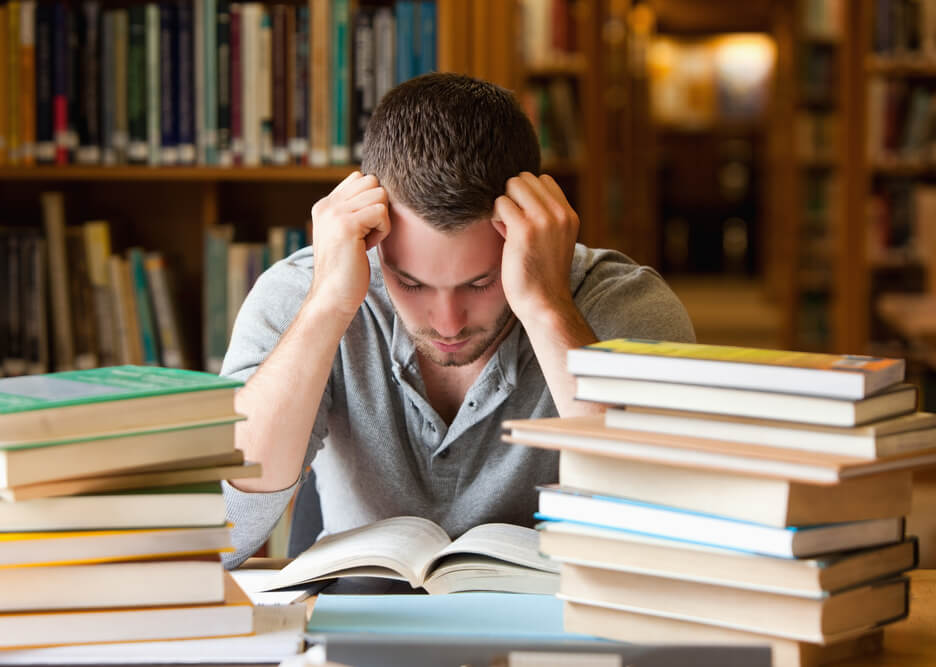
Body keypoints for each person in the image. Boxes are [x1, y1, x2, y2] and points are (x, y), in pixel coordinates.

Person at [221, 73, 694, 568]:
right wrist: (327, 308)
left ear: (526, 231)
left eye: (479, 282)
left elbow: (668, 527)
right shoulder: (302, 295)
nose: (447, 323)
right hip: (358, 627)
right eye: (411, 282)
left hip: (558, 628)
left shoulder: (625, 305)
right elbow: (223, 534)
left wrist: (547, 306)